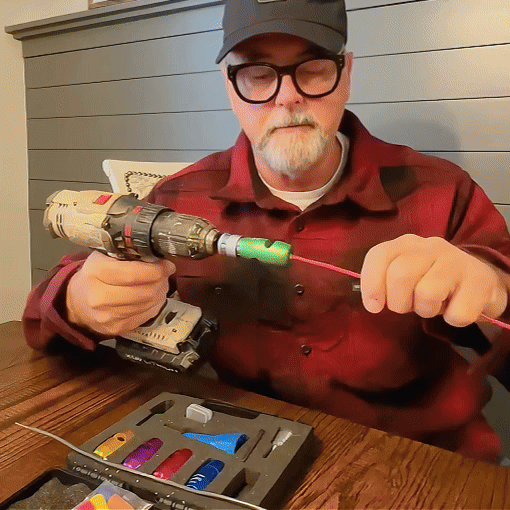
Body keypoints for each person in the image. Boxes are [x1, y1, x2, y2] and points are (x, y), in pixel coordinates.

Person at [24, 0, 510, 463]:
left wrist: (492, 287)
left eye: (313, 68)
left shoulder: (443, 191)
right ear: (228, 86)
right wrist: (80, 302)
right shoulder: (178, 198)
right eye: (257, 73)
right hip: (243, 459)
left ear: (346, 74)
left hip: (417, 469)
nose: (287, 96)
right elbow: (39, 317)